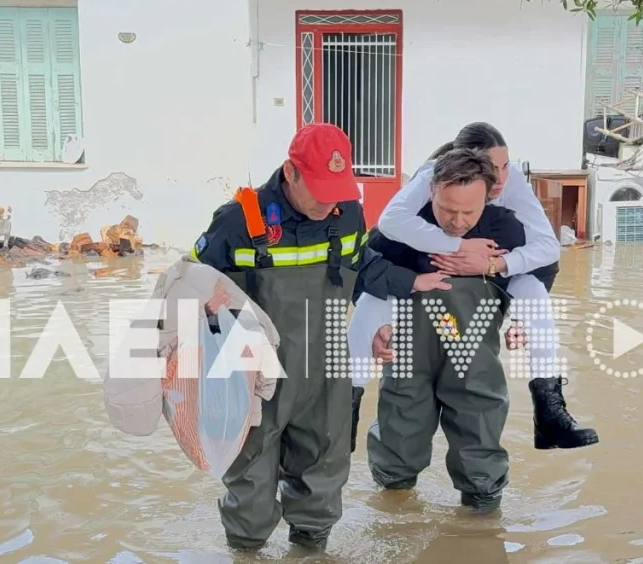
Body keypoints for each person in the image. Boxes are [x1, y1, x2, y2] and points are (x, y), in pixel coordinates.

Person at [189, 122, 449, 552]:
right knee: (249, 501)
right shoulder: (238, 222)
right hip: (254, 380)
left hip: (325, 375)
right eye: (320, 188)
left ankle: (310, 553)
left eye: (338, 189)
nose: (330, 201)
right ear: (291, 172)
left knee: (322, 485)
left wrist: (408, 286)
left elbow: (361, 267)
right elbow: (190, 288)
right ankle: (245, 551)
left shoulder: (346, 213)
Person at [353, 122, 599, 451]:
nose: (499, 179)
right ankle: (345, 413)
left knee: (535, 298)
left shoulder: (509, 188)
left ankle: (549, 411)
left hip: (487, 274)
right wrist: (456, 247)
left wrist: (492, 267)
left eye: (504, 166)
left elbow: (548, 249)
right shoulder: (431, 177)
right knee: (370, 307)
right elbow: (389, 224)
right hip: (415, 268)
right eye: (491, 168)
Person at [354, 147, 522, 512]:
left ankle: (481, 519)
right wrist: (378, 324)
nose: (458, 222)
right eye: (448, 210)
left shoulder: (506, 227)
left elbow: (537, 274)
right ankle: (394, 514)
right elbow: (362, 273)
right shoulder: (397, 228)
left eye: (468, 212)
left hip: (473, 354)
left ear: (489, 195)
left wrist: (523, 316)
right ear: (431, 191)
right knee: (400, 427)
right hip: (409, 350)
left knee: (479, 423)